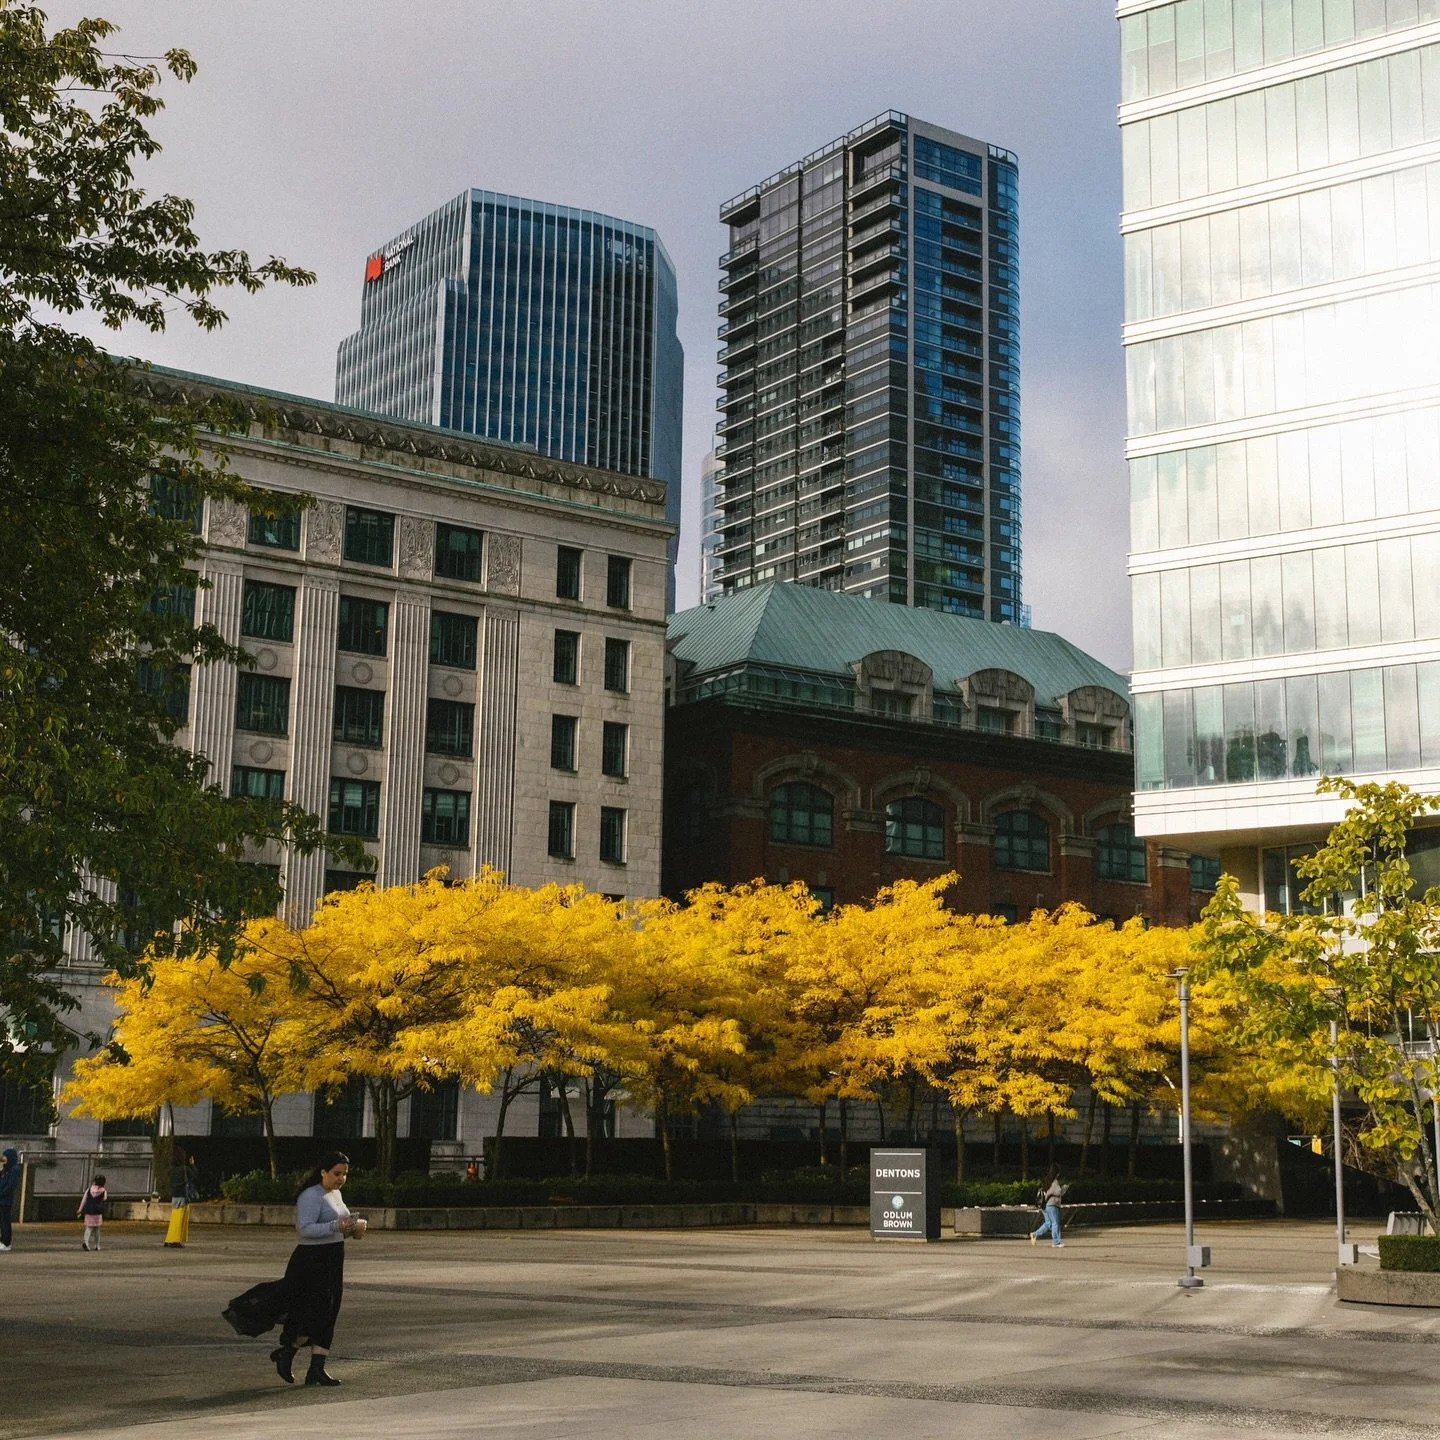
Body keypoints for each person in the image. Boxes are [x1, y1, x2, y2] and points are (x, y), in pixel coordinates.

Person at [271, 1150, 363, 1388]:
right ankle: (287, 1353)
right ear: (323, 1172)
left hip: (333, 1257)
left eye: (344, 1174)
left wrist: (353, 1230)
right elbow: (305, 1229)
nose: (340, 1178)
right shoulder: (311, 1196)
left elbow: (339, 1227)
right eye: (336, 1173)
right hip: (310, 1261)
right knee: (311, 1312)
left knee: (330, 1312)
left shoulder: (336, 1194)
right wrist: (337, 1225)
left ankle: (317, 1369)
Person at [163, 1146, 198, 1248]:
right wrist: (192, 1165)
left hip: (175, 1196)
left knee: (174, 1218)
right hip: (183, 1195)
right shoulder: (185, 1169)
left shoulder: (172, 1170)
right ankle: (176, 1240)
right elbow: (195, 1175)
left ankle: (169, 1238)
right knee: (180, 1219)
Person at [1030, 1167, 1065, 1248]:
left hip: (1044, 1205)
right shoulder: (1055, 1181)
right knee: (1055, 1223)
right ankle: (1056, 1242)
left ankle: (1035, 1234)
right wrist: (1063, 1189)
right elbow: (1058, 1191)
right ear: (1056, 1173)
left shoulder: (1047, 1181)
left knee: (1048, 1223)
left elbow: (1047, 1192)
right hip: (1052, 1205)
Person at [78, 1173, 108, 1251]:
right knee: (97, 1228)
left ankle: (86, 1242)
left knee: (88, 1227)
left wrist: (80, 1210)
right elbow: (104, 1199)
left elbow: (84, 1200)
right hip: (97, 1211)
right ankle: (97, 1245)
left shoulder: (89, 1189)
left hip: (89, 1210)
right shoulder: (103, 1191)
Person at [0, 1147, 19, 1252]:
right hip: (2, 1199)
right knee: (2, 1222)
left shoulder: (14, 1169)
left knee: (5, 1221)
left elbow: (11, 1185)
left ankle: (6, 1242)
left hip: (5, 1200)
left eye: (5, 1156)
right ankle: (3, 1240)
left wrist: (2, 1193)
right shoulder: (5, 1169)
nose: (4, 1158)